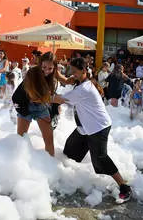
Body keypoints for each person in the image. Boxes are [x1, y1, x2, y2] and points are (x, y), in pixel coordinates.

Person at [53, 57, 132, 203]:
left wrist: (38, 95)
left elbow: (58, 99)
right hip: (85, 128)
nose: (73, 74)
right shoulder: (82, 81)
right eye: (72, 71)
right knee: (70, 150)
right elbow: (67, 80)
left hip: (98, 127)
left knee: (101, 159)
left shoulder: (84, 89)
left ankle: (124, 187)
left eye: (75, 72)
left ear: (84, 71)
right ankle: (67, 179)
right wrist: (55, 71)